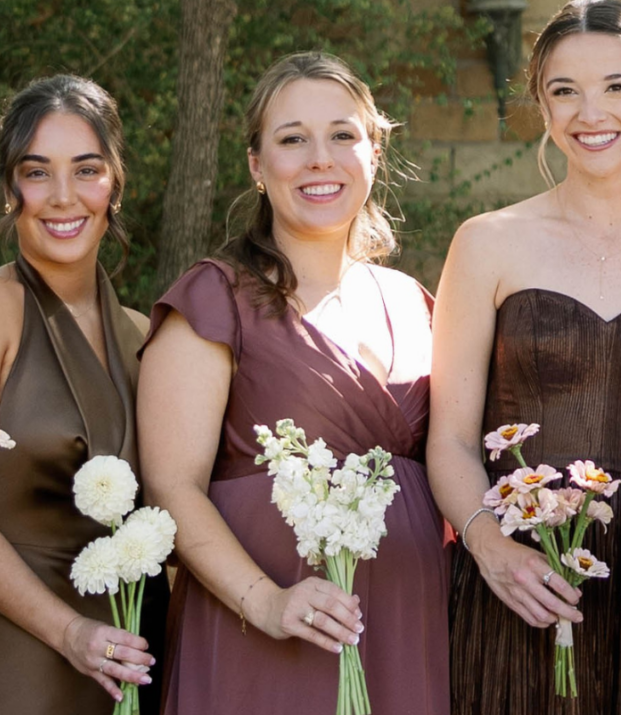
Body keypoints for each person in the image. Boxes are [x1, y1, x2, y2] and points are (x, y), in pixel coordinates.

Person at [430, 2, 621, 712]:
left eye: (615, 86)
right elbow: (449, 436)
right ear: (541, 103)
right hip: (517, 577)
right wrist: (490, 546)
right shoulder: (486, 243)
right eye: (564, 90)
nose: (589, 112)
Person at [140, 52, 448, 715]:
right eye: (291, 139)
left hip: (403, 628)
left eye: (342, 134)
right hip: (261, 637)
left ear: (374, 150)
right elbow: (170, 482)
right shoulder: (213, 298)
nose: (320, 157)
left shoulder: (417, 303)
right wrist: (267, 601)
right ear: (257, 165)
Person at [0, 75, 156, 714]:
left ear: (115, 186)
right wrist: (69, 632)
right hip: (4, 659)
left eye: (87, 169)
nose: (63, 196)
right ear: (10, 191)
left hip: (129, 657)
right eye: (37, 172)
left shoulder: (147, 336)